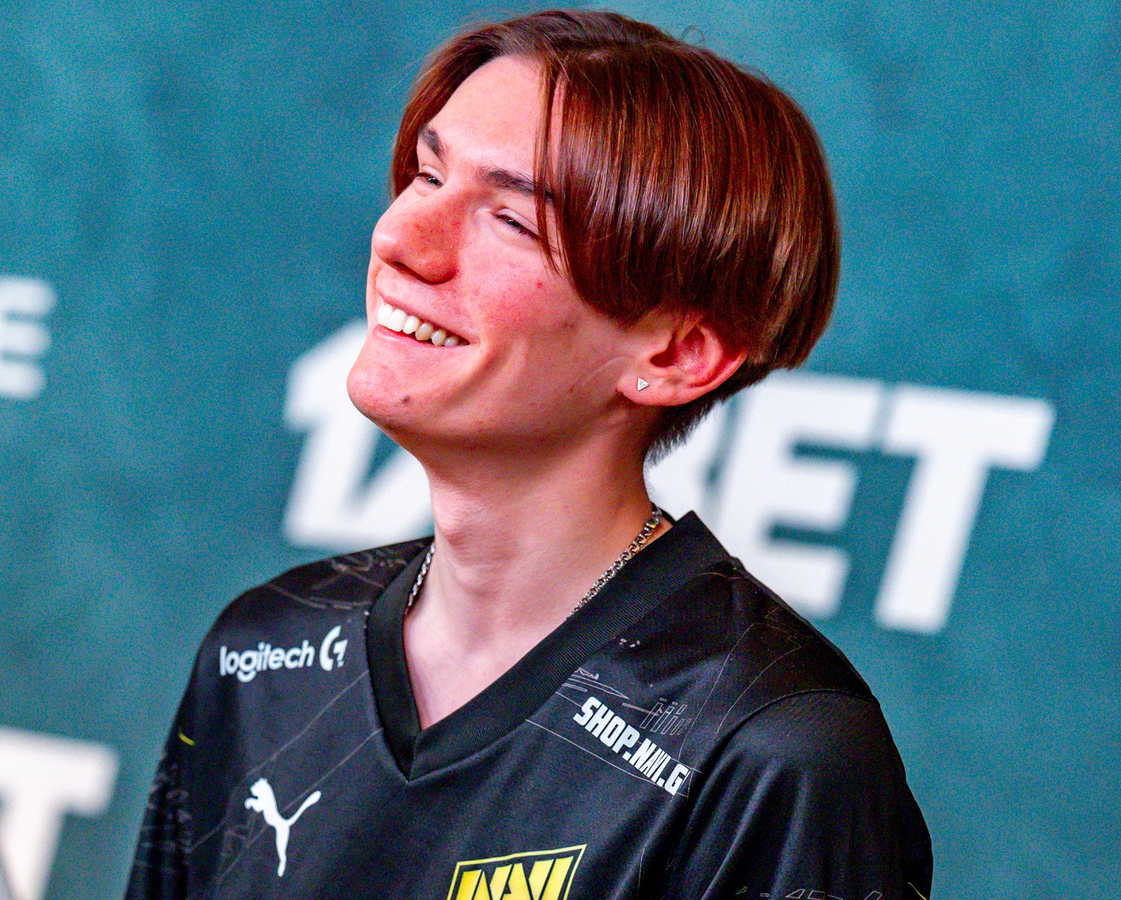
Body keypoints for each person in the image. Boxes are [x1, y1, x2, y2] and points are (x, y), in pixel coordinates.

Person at [126, 9, 932, 899]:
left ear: (676, 354)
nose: (398, 241)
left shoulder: (769, 750)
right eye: (428, 175)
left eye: (510, 219)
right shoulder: (260, 654)